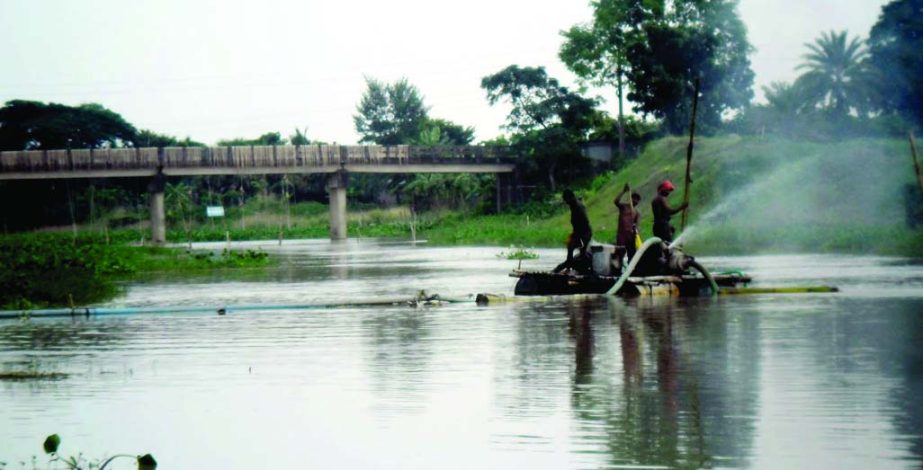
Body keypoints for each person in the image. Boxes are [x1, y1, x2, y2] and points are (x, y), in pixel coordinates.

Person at [554, 189, 593, 273]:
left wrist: (577, 235)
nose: (565, 202)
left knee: (579, 253)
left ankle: (564, 268)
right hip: (579, 233)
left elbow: (585, 222)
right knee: (572, 251)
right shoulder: (573, 206)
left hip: (584, 234)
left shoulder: (578, 207)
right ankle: (569, 267)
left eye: (566, 200)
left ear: (570, 198)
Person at [614, 183, 641, 263]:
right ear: (631, 198)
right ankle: (618, 270)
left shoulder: (637, 212)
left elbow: (637, 225)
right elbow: (616, 201)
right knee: (619, 253)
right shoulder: (624, 207)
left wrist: (636, 231)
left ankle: (631, 270)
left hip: (631, 236)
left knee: (631, 254)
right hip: (622, 234)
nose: (635, 201)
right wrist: (623, 191)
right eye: (634, 199)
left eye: (637, 200)